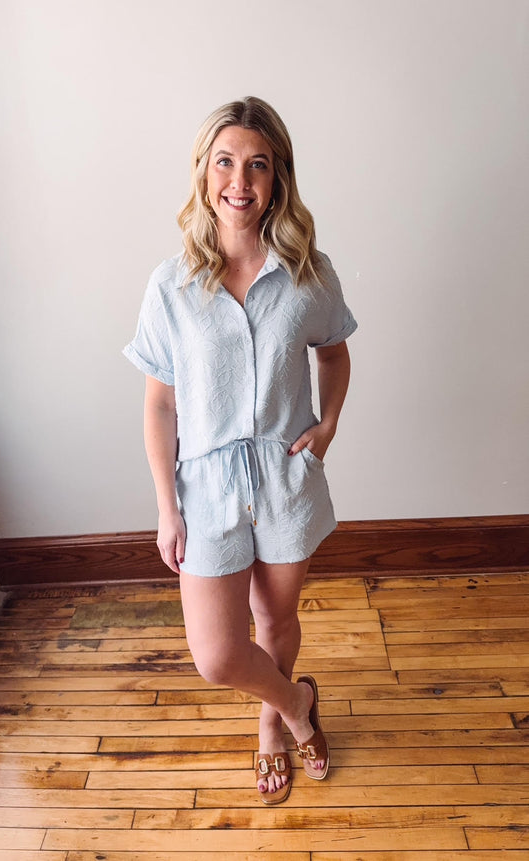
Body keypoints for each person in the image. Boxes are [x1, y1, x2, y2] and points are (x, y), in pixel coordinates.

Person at [123, 96, 357, 804]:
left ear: (276, 176)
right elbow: (160, 404)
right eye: (225, 162)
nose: (240, 181)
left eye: (257, 165)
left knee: (275, 620)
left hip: (285, 479)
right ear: (203, 173)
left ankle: (268, 726)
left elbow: (335, 355)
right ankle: (294, 703)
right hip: (206, 490)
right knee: (218, 654)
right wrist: (167, 508)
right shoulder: (171, 284)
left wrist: (329, 424)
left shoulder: (306, 272)